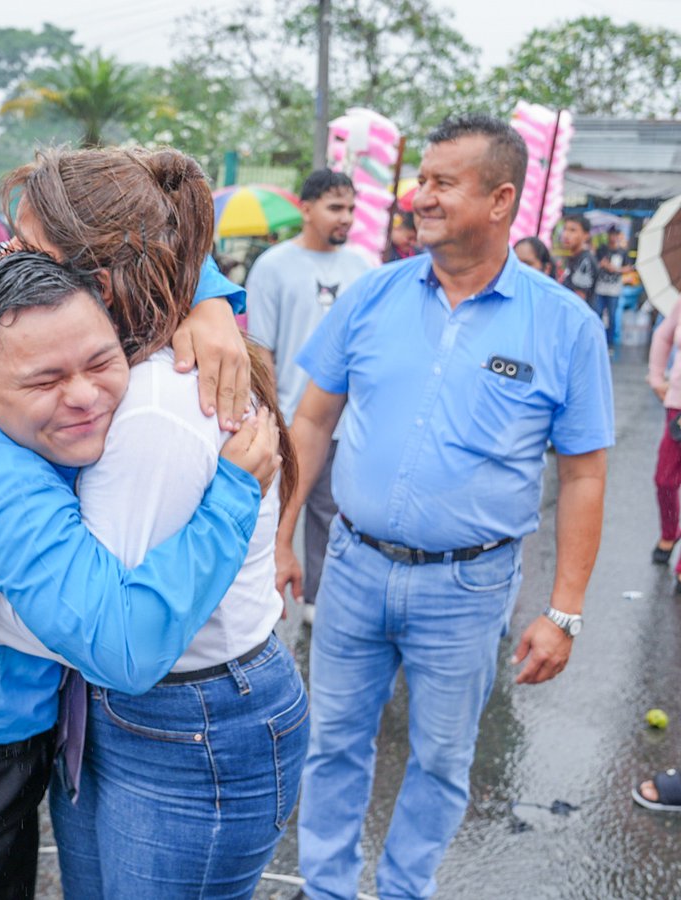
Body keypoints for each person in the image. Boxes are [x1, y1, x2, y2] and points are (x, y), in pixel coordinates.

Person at [0, 141, 273, 897]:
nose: (10, 261)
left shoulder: (134, 380)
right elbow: (119, 644)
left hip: (10, 738)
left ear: (100, 284)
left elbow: (154, 242)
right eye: (47, 378)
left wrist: (210, 298)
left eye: (29, 249)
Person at [275, 114, 614, 900]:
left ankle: (403, 891)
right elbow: (312, 420)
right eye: (418, 179)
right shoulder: (372, 295)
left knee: (440, 758)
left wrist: (564, 611)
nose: (416, 197)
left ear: (500, 200)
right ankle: (325, 888)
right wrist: (284, 532)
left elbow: (586, 477)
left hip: (468, 589)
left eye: (439, 183)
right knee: (332, 745)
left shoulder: (563, 325)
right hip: (353, 567)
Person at [247, 168, 370, 626]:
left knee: (332, 514)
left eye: (352, 209)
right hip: (290, 419)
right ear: (306, 208)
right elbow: (262, 350)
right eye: (336, 208)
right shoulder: (274, 266)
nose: (347, 218)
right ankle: (260, 605)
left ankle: (320, 602)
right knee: (271, 515)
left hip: (346, 422)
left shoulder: (362, 267)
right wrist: (272, 421)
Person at [647, 295, 681, 592]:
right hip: (678, 407)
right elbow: (662, 336)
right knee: (664, 479)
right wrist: (657, 379)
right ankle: (670, 532)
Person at [595, 227, 631, 348]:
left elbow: (628, 267)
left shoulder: (622, 252)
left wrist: (615, 269)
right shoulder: (602, 249)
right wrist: (603, 265)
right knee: (597, 313)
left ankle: (610, 342)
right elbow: (596, 263)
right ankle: (597, 339)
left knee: (612, 315)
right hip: (600, 288)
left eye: (615, 234)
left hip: (614, 289)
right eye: (611, 234)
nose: (613, 237)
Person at [559, 213, 598, 311]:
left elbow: (578, 301)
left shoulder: (585, 261)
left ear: (586, 235)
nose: (566, 235)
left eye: (573, 230)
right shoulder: (574, 257)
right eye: (565, 229)